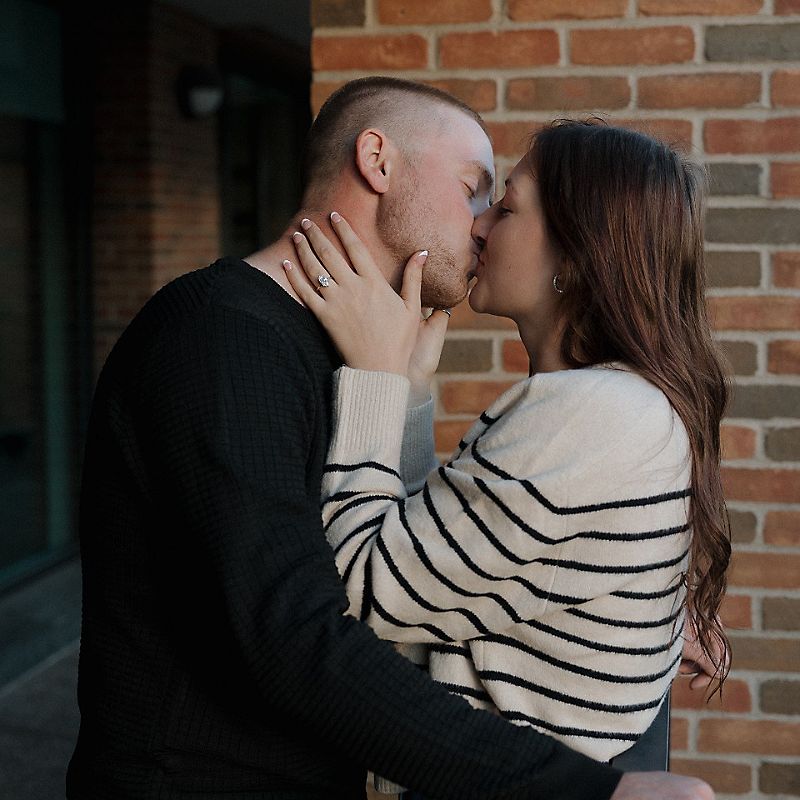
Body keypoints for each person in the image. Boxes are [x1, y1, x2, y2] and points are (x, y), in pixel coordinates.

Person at [67, 77, 717, 800]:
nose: (480, 225)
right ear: (377, 161)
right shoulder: (221, 336)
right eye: (474, 191)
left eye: (500, 204)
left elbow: (409, 568)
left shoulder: (349, 352)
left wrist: (624, 610)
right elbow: (304, 631)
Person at [283, 117, 731, 788]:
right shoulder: (617, 402)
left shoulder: (587, 412)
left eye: (507, 207)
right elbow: (441, 567)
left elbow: (365, 587)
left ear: (576, 257)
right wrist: (409, 395)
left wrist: (374, 381)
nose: (479, 226)